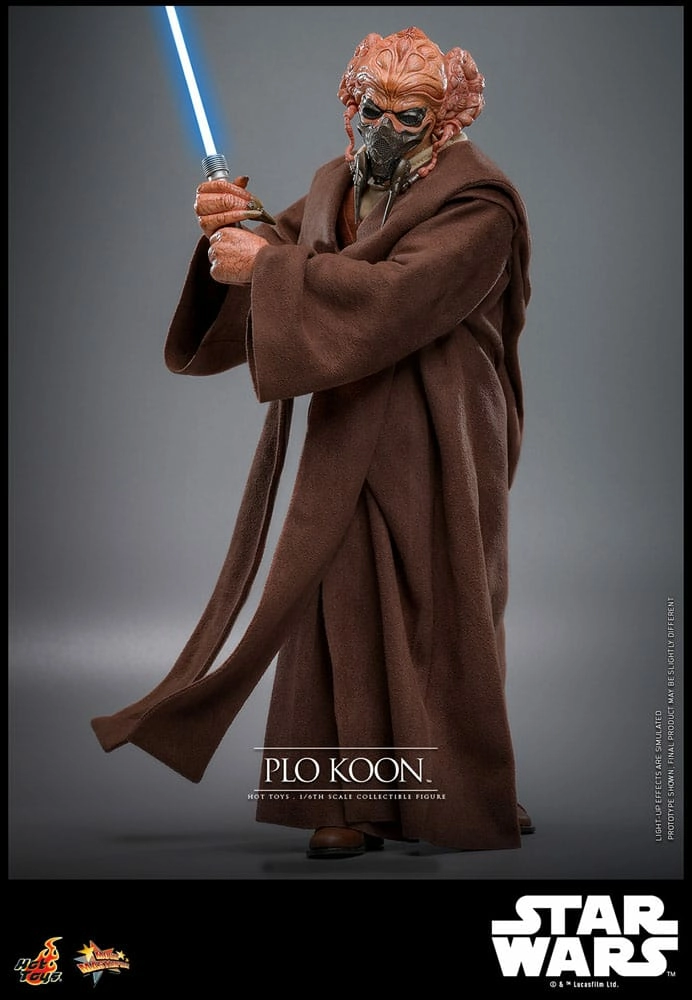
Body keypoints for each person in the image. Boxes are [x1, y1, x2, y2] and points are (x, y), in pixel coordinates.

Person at [92, 25, 534, 858]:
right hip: (347, 421)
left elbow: (398, 297)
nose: (382, 130)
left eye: (407, 117)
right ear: (349, 104)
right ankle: (343, 800)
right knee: (335, 601)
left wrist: (267, 266)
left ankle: (466, 793)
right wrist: (235, 227)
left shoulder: (480, 206)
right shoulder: (339, 183)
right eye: (370, 110)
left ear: (444, 121)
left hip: (436, 434)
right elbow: (288, 252)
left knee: (441, 606)